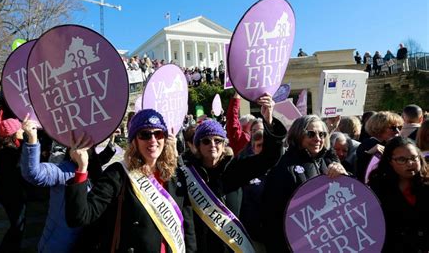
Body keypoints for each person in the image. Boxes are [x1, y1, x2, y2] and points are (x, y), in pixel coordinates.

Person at [65, 109, 196, 252]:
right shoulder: (118, 174)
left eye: (158, 133)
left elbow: (187, 228)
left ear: (164, 138)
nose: (152, 140)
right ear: (134, 141)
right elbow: (79, 217)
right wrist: (82, 168)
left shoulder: (176, 175)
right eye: (145, 134)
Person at [181, 93, 286, 252]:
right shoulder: (187, 173)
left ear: (224, 145)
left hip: (233, 247)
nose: (213, 145)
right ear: (197, 145)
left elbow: (269, 158)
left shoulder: (234, 169)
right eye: (206, 141)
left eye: (218, 140)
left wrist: (269, 120)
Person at [20, 114, 117, 252]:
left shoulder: (94, 173)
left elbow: (100, 160)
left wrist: (111, 141)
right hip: (55, 247)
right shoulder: (62, 172)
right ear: (69, 149)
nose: (81, 150)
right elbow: (33, 173)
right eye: (77, 145)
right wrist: (32, 138)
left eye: (86, 146)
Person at [262, 115, 348, 252]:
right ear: (298, 135)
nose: (318, 138)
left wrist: (345, 177)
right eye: (311, 133)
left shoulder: (328, 163)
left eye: (322, 134)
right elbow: (271, 217)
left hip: (328, 243)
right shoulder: (283, 168)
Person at [368, 137, 429, 252]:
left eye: (413, 158)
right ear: (390, 161)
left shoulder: (427, 184)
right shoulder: (378, 189)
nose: (410, 163)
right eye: (402, 159)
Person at [0, 118, 28, 252]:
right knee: (17, 227)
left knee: (17, 226)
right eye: (19, 129)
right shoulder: (9, 151)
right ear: (13, 133)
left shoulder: (2, 147)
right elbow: (20, 167)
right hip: (11, 195)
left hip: (5, 192)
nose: (22, 131)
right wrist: (23, 142)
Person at [355, 111, 403, 182]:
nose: (398, 131)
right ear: (380, 128)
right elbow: (360, 165)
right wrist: (369, 153)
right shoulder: (368, 143)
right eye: (393, 128)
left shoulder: (389, 144)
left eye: (400, 127)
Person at [226, 92, 256, 156]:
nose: (256, 124)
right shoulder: (239, 136)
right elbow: (232, 117)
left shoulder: (255, 137)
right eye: (253, 123)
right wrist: (238, 93)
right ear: (245, 125)